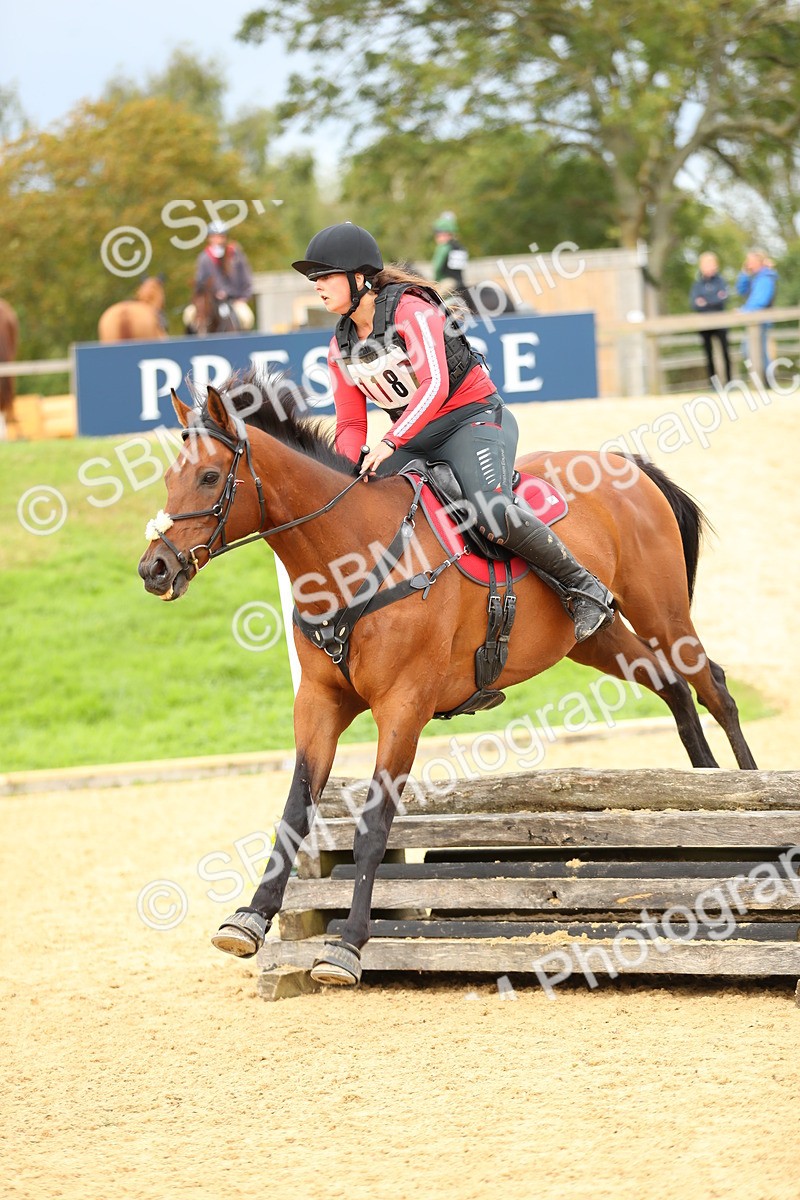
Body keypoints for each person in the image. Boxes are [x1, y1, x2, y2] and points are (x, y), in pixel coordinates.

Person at [292, 222, 614, 642]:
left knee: (491, 511)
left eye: (325, 276)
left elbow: (435, 387)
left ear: (360, 278)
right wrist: (344, 468)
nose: (317, 286)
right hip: (415, 438)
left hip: (472, 420)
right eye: (314, 279)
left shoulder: (412, 310)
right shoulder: (339, 346)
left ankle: (584, 589)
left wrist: (389, 442)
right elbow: (351, 424)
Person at [183, 221, 255, 332]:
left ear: (225, 238)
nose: (217, 240)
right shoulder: (204, 258)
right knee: (188, 316)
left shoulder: (235, 255)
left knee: (247, 318)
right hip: (210, 301)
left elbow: (246, 277)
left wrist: (243, 297)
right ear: (209, 238)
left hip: (234, 300)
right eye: (214, 237)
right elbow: (200, 283)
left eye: (220, 237)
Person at [689, 252, 731, 384]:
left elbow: (723, 299)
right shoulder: (697, 284)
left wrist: (706, 302)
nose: (708, 267)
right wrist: (714, 300)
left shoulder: (721, 281)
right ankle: (713, 384)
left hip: (721, 323)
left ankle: (730, 382)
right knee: (708, 355)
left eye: (711, 264)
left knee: (725, 353)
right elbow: (694, 303)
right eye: (705, 264)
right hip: (704, 324)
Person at [735, 248, 778, 371]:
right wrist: (744, 273)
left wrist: (743, 311)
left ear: (759, 262)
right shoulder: (756, 278)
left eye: (750, 261)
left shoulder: (765, 278)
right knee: (757, 352)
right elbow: (741, 290)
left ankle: (767, 379)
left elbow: (759, 301)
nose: (748, 264)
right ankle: (767, 380)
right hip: (755, 320)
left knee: (752, 351)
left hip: (760, 320)